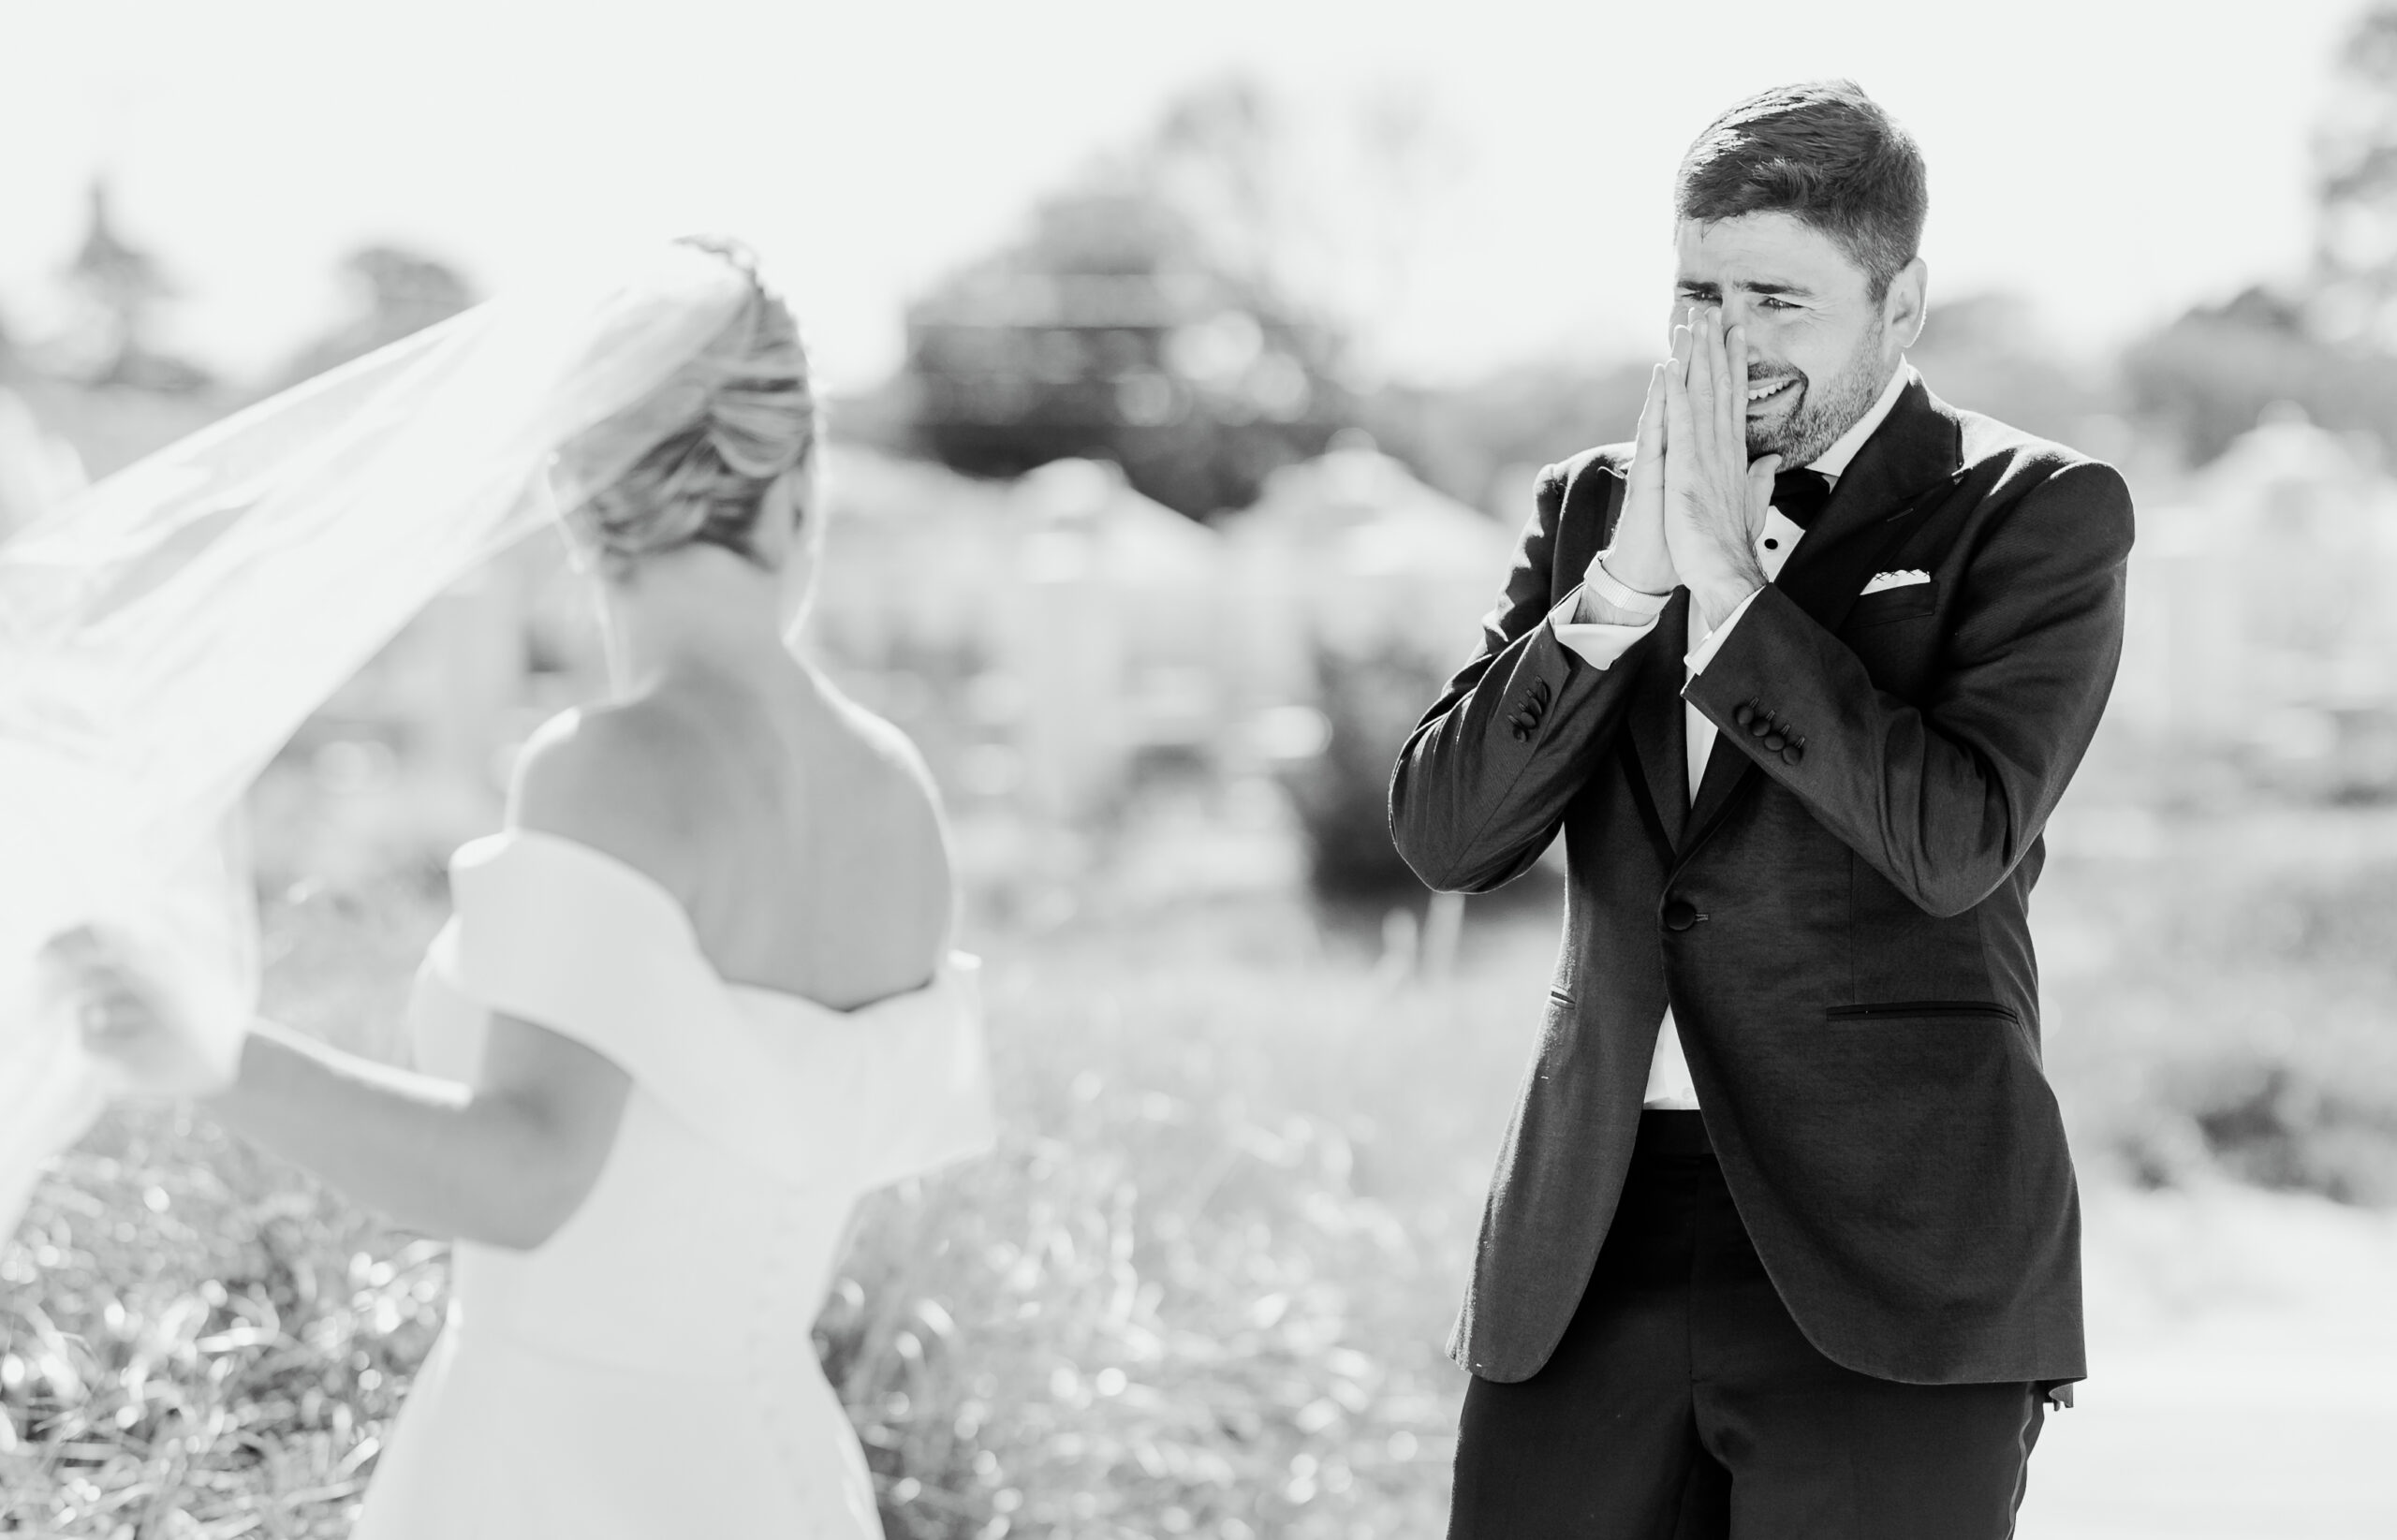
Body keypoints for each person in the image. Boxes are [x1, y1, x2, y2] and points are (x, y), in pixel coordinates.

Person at [43, 237, 993, 1538]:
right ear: (796, 487)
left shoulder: (607, 768)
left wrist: (212, 1052)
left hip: (555, 1472)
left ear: (573, 488)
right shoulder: (899, 800)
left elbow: (524, 1174)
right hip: (779, 1474)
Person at [1390, 82, 2132, 1538]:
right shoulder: (1593, 511)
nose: (1728, 343)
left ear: (1900, 303)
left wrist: (1732, 592)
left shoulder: (2036, 512)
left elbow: (1952, 841)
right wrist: (1626, 591)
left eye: (1778, 300)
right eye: (1698, 294)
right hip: (1587, 1242)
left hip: (1895, 1258)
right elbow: (1449, 837)